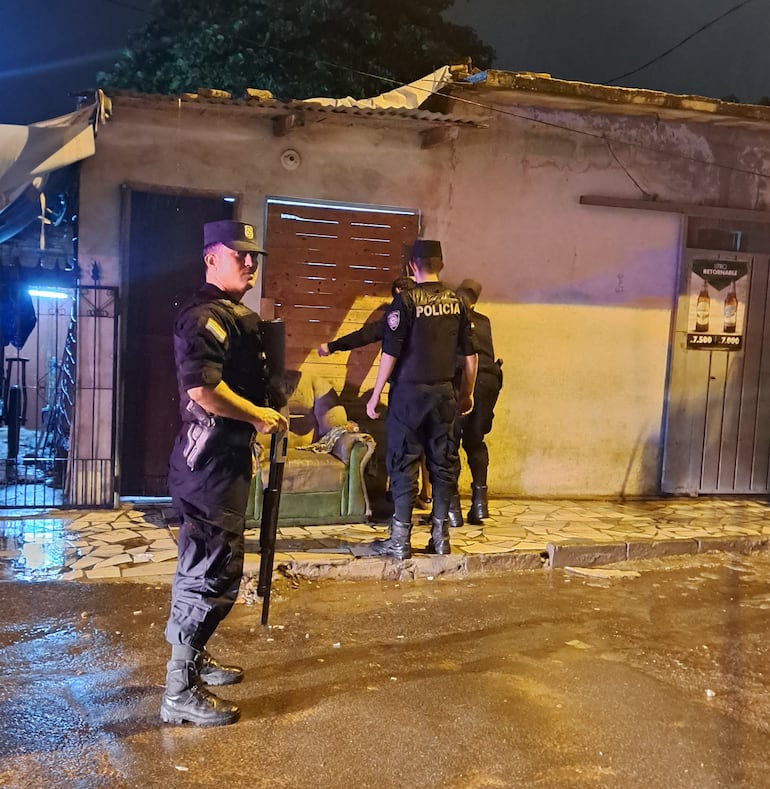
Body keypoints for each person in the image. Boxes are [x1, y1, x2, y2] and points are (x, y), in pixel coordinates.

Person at [161, 219, 288, 727]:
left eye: (254, 255)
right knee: (212, 572)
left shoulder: (232, 315)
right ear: (211, 258)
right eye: (240, 255)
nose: (251, 262)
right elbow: (203, 389)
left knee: (202, 566)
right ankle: (179, 690)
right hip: (208, 467)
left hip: (221, 462)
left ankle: (193, 658)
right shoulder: (203, 317)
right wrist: (258, 417)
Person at [365, 239, 476, 559]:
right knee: (443, 464)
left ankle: (400, 540)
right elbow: (471, 358)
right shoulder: (458, 303)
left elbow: (390, 352)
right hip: (444, 394)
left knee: (404, 462)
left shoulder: (405, 301)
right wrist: (466, 394)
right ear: (441, 265)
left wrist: (375, 394)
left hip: (408, 396)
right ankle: (441, 538)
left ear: (412, 265)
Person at [317, 277, 432, 507]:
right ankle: (428, 494)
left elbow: (365, 335)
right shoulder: (432, 317)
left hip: (406, 390)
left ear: (397, 291)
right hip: (436, 390)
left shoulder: (396, 316)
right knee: (428, 443)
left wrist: (332, 346)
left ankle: (401, 500)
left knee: (403, 444)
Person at [450, 279, 503, 525]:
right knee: (475, 442)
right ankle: (480, 505)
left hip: (461, 381)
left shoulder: (451, 317)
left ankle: (451, 509)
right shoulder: (484, 321)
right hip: (489, 382)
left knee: (450, 443)